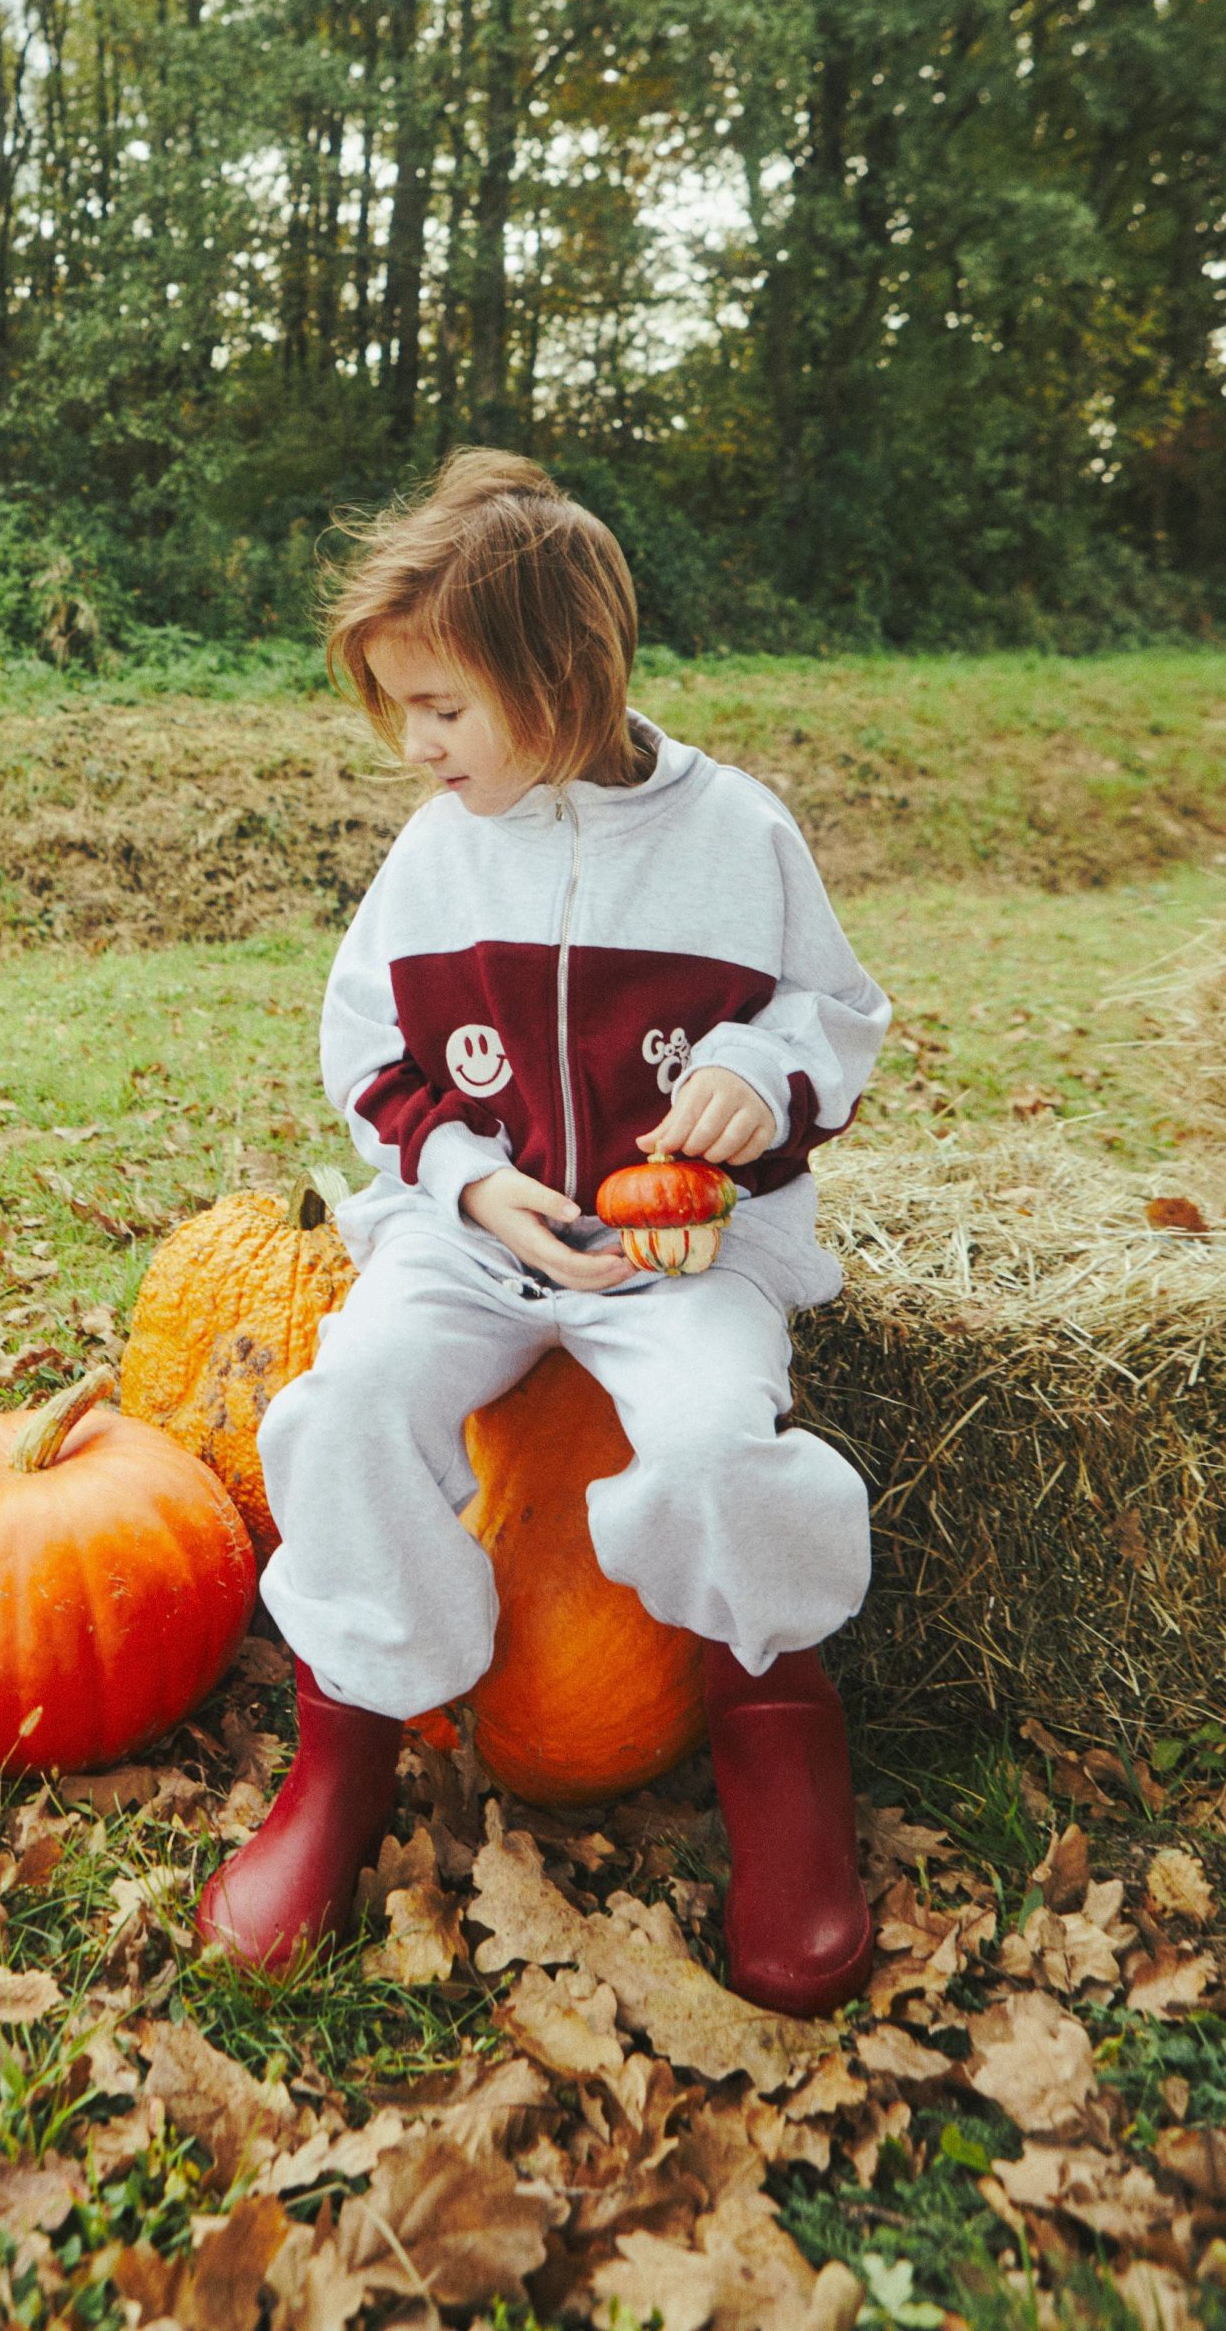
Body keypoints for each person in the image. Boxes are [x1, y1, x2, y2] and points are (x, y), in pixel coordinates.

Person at [196, 451, 891, 2016]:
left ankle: (777, 1739)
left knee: (716, 1438)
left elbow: (835, 1017)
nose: (415, 743)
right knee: (350, 1399)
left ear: (563, 675)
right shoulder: (436, 852)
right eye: (397, 709)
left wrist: (753, 1070)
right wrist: (464, 1179)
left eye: (442, 705)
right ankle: (353, 1743)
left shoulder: (739, 835)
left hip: (680, 1251)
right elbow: (366, 1048)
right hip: (476, 1231)